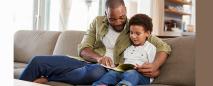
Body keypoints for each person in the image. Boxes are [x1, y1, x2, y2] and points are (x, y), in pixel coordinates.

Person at [19, 0, 171, 85]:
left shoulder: (134, 28)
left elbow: (163, 46)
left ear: (125, 10)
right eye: (112, 18)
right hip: (85, 62)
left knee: (95, 72)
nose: (118, 22)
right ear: (105, 14)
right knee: (37, 61)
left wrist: (155, 66)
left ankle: (49, 78)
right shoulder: (97, 22)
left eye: (121, 17)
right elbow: (84, 48)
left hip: (107, 69)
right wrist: (99, 58)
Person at [93, 14, 160, 86]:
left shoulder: (150, 48)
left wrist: (147, 70)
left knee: (131, 73)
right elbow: (121, 63)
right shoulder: (128, 48)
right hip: (123, 72)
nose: (133, 36)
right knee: (112, 74)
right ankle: (100, 84)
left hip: (140, 76)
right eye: (131, 33)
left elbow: (156, 70)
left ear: (147, 33)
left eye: (138, 33)